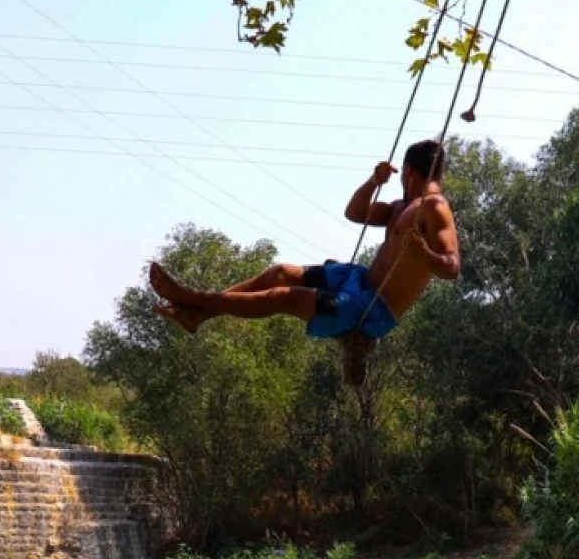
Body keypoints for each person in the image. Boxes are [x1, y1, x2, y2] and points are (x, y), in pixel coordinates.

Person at [146, 139, 461, 384]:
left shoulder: (435, 208)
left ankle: (192, 301)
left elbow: (451, 266)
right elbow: (354, 212)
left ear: (408, 172)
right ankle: (198, 315)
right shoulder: (399, 207)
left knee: (282, 297)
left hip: (371, 310)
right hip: (357, 280)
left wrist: (424, 255)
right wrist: (373, 181)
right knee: (280, 273)